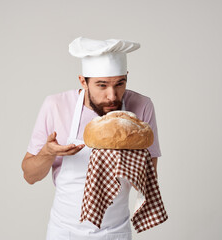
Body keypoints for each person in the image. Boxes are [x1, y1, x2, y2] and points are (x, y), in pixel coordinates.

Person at [21, 37, 162, 240]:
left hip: (115, 232)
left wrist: (130, 157)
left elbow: (149, 180)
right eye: (102, 85)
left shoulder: (142, 107)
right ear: (83, 81)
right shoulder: (56, 106)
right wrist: (48, 152)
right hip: (64, 232)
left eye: (120, 83)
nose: (112, 96)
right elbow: (30, 176)